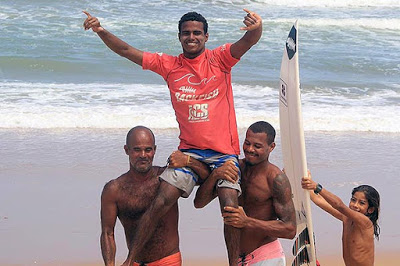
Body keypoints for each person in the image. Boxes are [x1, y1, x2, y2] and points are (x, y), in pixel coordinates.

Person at [84, 9, 262, 266]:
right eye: (186, 33)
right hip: (189, 152)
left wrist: (257, 26)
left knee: (230, 205)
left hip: (224, 153)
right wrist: (101, 31)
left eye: (197, 33)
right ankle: (130, 259)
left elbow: (249, 41)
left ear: (206, 36)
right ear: (179, 37)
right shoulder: (169, 65)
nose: (192, 37)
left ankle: (235, 264)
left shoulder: (220, 59)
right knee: (161, 200)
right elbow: (126, 51)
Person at [100, 126, 208, 266]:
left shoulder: (169, 178)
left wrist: (188, 161)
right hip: (134, 262)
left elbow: (205, 177)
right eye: (137, 150)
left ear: (154, 150)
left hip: (168, 260)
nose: (143, 155)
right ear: (127, 150)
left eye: (148, 149)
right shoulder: (114, 189)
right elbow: (108, 233)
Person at [194, 121, 296, 266]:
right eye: (247, 143)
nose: (249, 149)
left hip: (266, 257)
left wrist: (247, 221)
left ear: (271, 147)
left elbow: (290, 229)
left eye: (257, 146)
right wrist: (216, 175)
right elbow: (199, 203)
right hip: (237, 260)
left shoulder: (275, 179)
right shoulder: (234, 168)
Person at [302, 173, 380, 266]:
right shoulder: (346, 218)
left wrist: (317, 187)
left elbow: (340, 206)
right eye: (353, 200)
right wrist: (305, 179)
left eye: (362, 203)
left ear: (370, 209)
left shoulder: (366, 223)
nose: (355, 205)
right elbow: (318, 200)